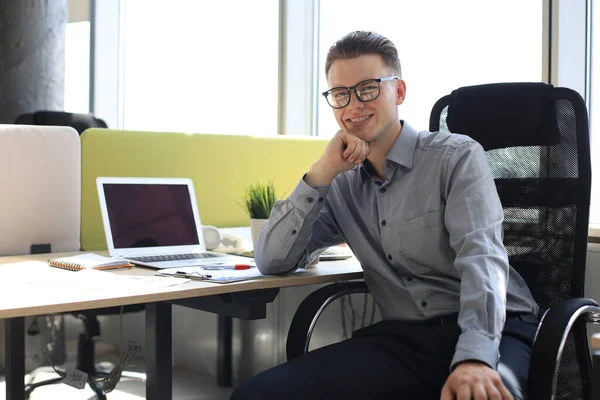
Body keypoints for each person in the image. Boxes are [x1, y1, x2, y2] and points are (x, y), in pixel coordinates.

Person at [231, 31, 539, 400]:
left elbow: (482, 261)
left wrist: (474, 359)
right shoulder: (341, 184)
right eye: (341, 94)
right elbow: (271, 260)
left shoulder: (454, 157)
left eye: (368, 88)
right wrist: (320, 172)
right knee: (258, 395)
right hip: (405, 341)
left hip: (495, 333)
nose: (353, 105)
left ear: (400, 92)